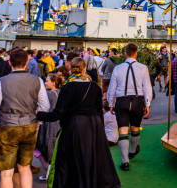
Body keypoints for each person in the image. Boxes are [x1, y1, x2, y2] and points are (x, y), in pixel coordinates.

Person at [37, 57, 120, 188]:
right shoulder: (95, 87)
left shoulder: (68, 87)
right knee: (92, 158)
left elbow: (57, 114)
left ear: (71, 69)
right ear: (84, 68)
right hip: (94, 126)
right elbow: (99, 111)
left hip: (75, 127)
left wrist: (38, 114)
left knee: (74, 160)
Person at [0, 49, 50, 188]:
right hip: (29, 126)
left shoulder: (0, 82)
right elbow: (45, 106)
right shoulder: (37, 81)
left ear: (10, 63)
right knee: (25, 167)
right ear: (27, 62)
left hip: (7, 127)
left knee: (6, 172)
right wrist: (37, 122)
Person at [107, 43, 152, 171]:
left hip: (122, 101)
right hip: (138, 101)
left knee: (123, 130)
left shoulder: (118, 68)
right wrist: (147, 104)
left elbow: (112, 88)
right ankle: (132, 151)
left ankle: (125, 161)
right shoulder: (143, 68)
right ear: (136, 53)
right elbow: (147, 87)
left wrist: (111, 103)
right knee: (135, 127)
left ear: (126, 53)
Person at [34, 73, 63, 181]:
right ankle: (52, 170)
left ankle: (49, 171)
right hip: (58, 123)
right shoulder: (60, 92)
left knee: (44, 147)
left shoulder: (49, 94)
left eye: (47, 81)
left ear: (54, 83)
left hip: (49, 124)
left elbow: (42, 108)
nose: (45, 83)